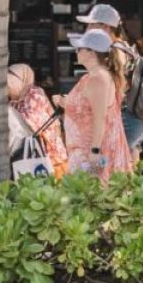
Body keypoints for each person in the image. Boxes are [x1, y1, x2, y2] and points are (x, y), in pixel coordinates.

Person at [52, 29, 132, 183]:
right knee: (89, 191)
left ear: (91, 52)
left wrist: (95, 151)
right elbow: (87, 108)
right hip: (85, 149)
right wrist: (65, 102)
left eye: (79, 48)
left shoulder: (98, 78)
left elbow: (100, 118)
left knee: (92, 190)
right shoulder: (93, 77)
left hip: (91, 150)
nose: (76, 51)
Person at [76, 4, 143, 164]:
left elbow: (115, 88)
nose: (87, 30)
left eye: (91, 25)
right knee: (127, 171)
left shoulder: (116, 51)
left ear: (106, 27)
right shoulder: (125, 47)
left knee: (111, 172)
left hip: (124, 118)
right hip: (133, 119)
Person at [7, 64, 68, 178]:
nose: (7, 89)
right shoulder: (15, 102)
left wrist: (11, 112)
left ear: (20, 81)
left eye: (9, 84)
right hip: (30, 156)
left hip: (50, 156)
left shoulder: (34, 94)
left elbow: (35, 124)